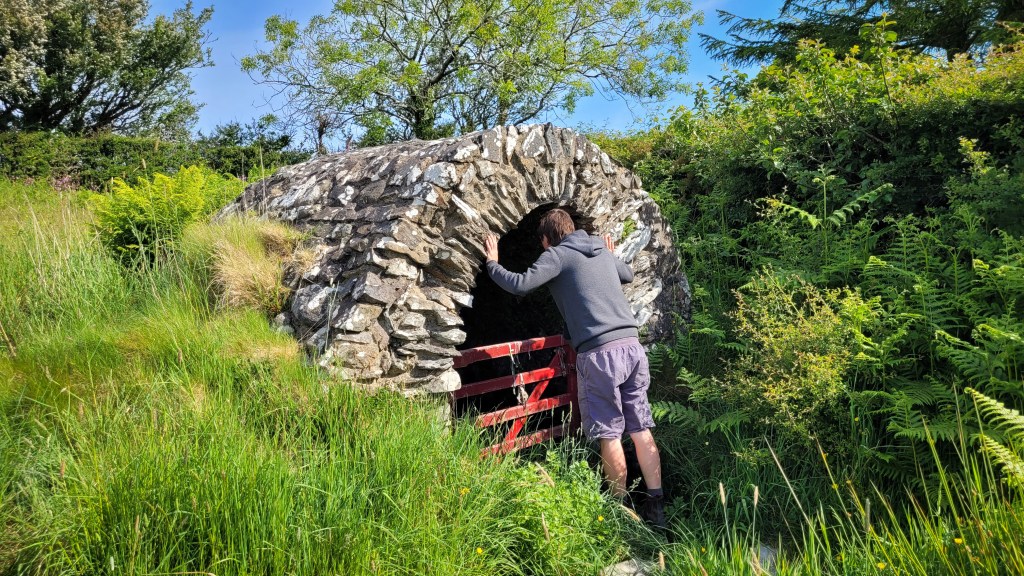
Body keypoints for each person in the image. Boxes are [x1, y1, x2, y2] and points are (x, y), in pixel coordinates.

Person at [483, 208, 666, 529]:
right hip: (632, 348)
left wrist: (493, 263)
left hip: (600, 355)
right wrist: (609, 254)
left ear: (546, 239)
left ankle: (620, 514)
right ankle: (656, 507)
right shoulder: (600, 250)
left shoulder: (557, 256)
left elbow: (521, 284)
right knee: (640, 429)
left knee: (609, 433)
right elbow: (628, 275)